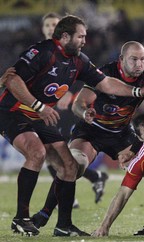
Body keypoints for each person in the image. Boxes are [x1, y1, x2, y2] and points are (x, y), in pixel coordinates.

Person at [0, 15, 144, 236]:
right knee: (36, 152)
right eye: (80, 36)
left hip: (41, 117)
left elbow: (106, 83)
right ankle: (21, 218)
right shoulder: (43, 51)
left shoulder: (80, 60)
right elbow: (12, 80)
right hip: (13, 111)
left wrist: (137, 92)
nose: (84, 41)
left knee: (69, 166)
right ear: (65, 36)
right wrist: (39, 105)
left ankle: (63, 226)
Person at [30, 40, 144, 234]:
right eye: (134, 59)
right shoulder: (104, 74)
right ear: (121, 60)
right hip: (91, 130)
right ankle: (44, 214)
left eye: (142, 59)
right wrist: (84, 112)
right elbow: (79, 102)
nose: (139, 64)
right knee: (73, 165)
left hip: (121, 133)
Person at [41, 12, 108, 208]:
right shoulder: (41, 53)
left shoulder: (74, 51)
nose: (51, 28)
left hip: (69, 111)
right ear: (43, 29)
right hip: (46, 111)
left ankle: (68, 195)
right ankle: (92, 178)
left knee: (58, 152)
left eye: (55, 24)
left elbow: (89, 76)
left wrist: (71, 94)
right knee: (50, 153)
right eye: (47, 26)